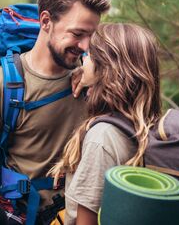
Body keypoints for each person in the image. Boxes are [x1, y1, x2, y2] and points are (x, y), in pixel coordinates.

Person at [0, 0, 110, 225]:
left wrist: (101, 73)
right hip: (16, 212)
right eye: (78, 34)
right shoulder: (2, 85)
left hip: (71, 215)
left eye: (91, 36)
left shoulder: (94, 78)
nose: (85, 46)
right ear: (46, 21)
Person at [50, 23, 162, 225]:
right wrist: (90, 83)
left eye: (91, 55)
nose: (83, 59)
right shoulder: (149, 125)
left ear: (106, 68)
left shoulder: (102, 138)